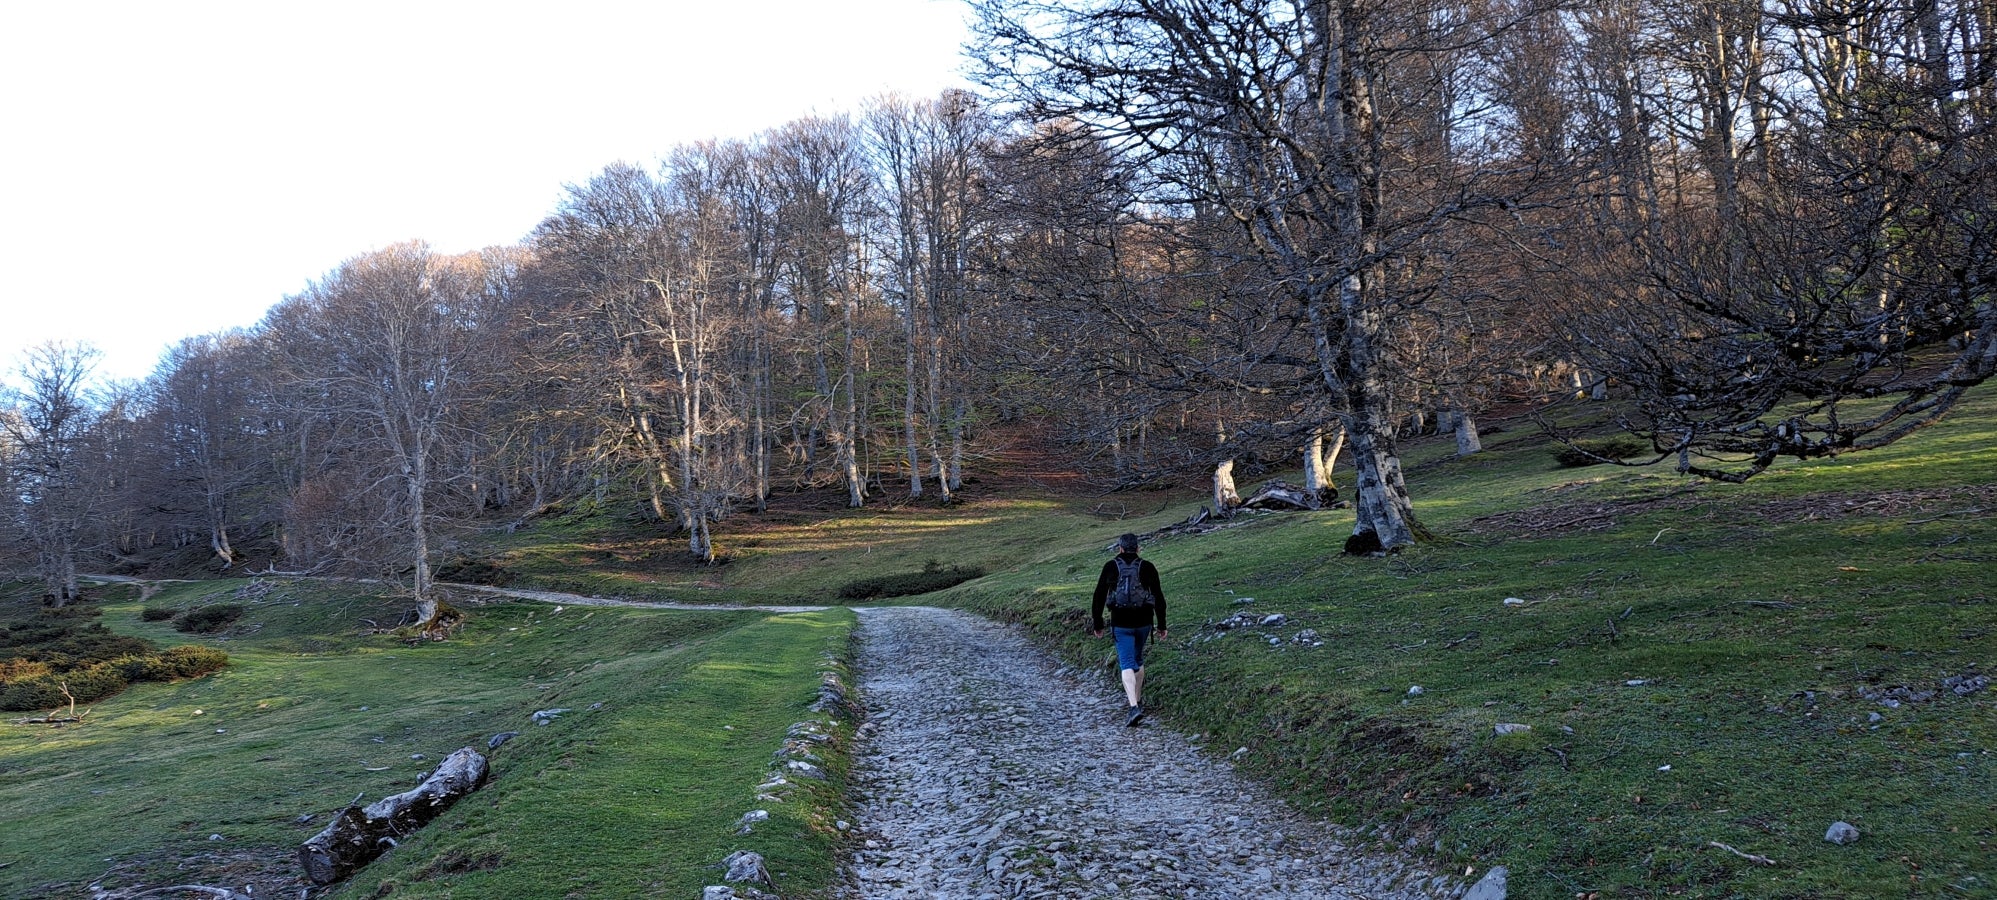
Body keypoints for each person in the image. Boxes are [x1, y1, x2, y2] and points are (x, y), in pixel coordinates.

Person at [1091, 532, 1168, 726]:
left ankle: (1133, 707)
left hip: (1121, 622)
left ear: (1120, 548)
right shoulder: (1148, 567)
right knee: (1138, 659)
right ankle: (1138, 700)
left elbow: (1099, 596)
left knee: (1126, 663)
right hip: (1144, 622)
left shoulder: (1110, 566)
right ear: (1138, 548)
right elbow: (1158, 597)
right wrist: (1162, 625)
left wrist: (1098, 623)